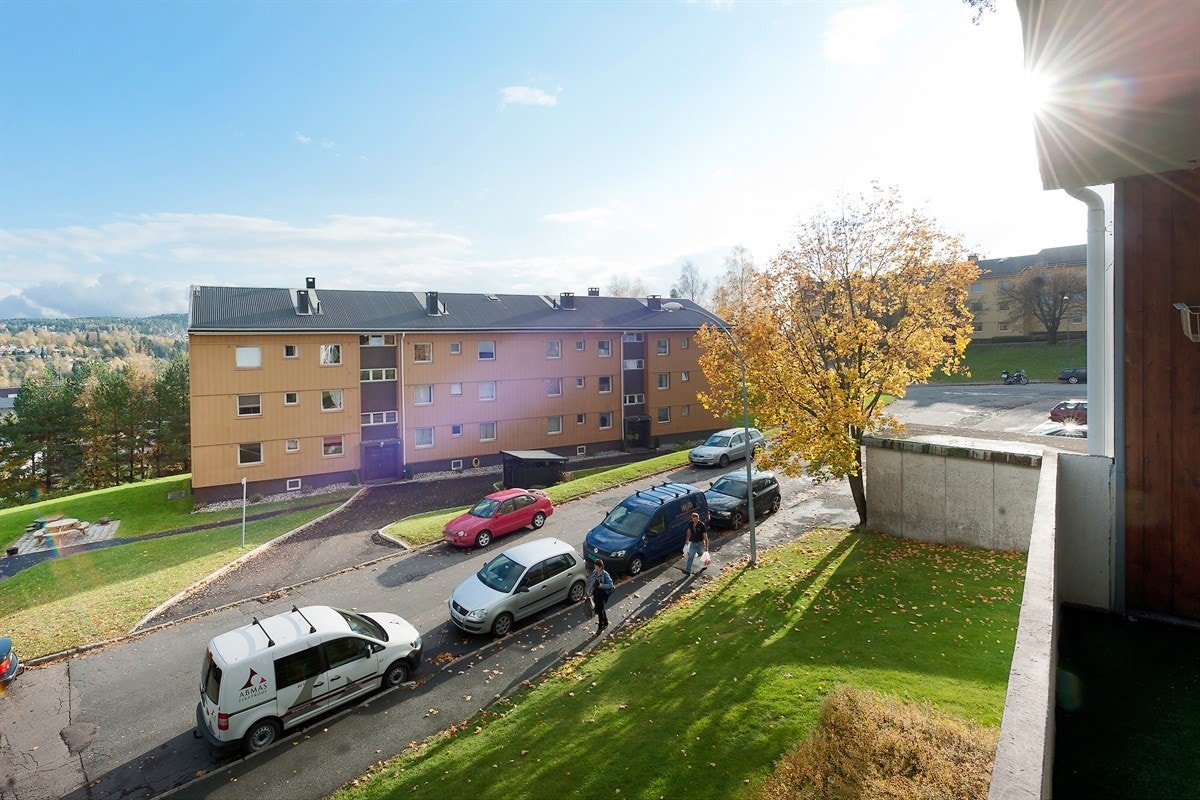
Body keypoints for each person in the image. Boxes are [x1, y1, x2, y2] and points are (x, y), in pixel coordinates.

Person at [587, 558, 614, 634]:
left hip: (603, 594)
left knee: (600, 609)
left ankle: (600, 626)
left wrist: (601, 585)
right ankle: (605, 622)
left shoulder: (605, 574)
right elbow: (592, 583)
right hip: (596, 593)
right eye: (594, 566)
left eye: (596, 567)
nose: (595, 568)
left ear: (601, 567)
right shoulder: (594, 573)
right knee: (600, 609)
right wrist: (589, 591)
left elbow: (610, 585)